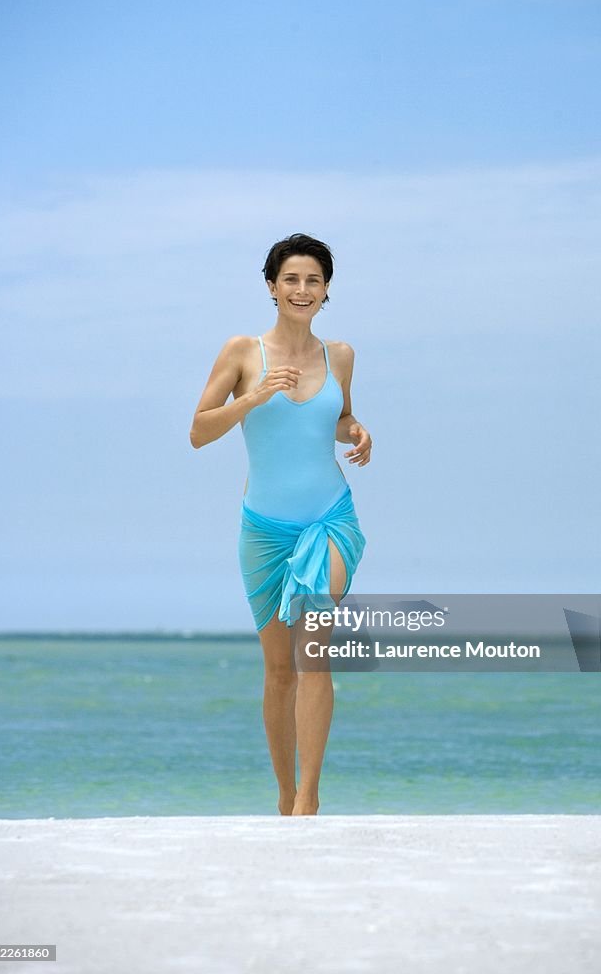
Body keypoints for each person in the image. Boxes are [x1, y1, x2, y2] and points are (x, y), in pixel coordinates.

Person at [190, 233, 372, 816]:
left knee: (312, 652)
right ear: (272, 288)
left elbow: (336, 421)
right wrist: (253, 397)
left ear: (326, 292)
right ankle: (285, 794)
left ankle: (309, 800)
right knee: (278, 670)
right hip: (263, 531)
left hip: (329, 520)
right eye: (290, 279)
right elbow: (199, 431)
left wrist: (358, 431)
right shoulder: (243, 352)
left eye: (313, 281)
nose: (302, 290)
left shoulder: (340, 356)